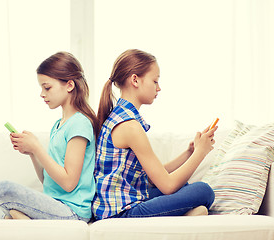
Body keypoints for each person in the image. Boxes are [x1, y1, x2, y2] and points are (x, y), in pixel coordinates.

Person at [0, 52, 97, 222]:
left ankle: (14, 219)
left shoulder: (80, 124)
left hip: (71, 211)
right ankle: (12, 219)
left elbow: (68, 183)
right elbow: (47, 179)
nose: (42, 94)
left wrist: (37, 147)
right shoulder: (58, 126)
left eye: (47, 87)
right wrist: (32, 153)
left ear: (69, 85)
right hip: (52, 204)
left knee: (3, 189)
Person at [92, 49, 217, 220]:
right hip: (122, 213)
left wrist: (190, 152)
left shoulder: (119, 117)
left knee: (185, 186)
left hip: (123, 202)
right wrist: (201, 153)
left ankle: (185, 214)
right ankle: (184, 215)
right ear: (135, 80)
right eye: (155, 81)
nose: (159, 88)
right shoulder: (130, 126)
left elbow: (154, 176)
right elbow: (168, 185)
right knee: (204, 191)